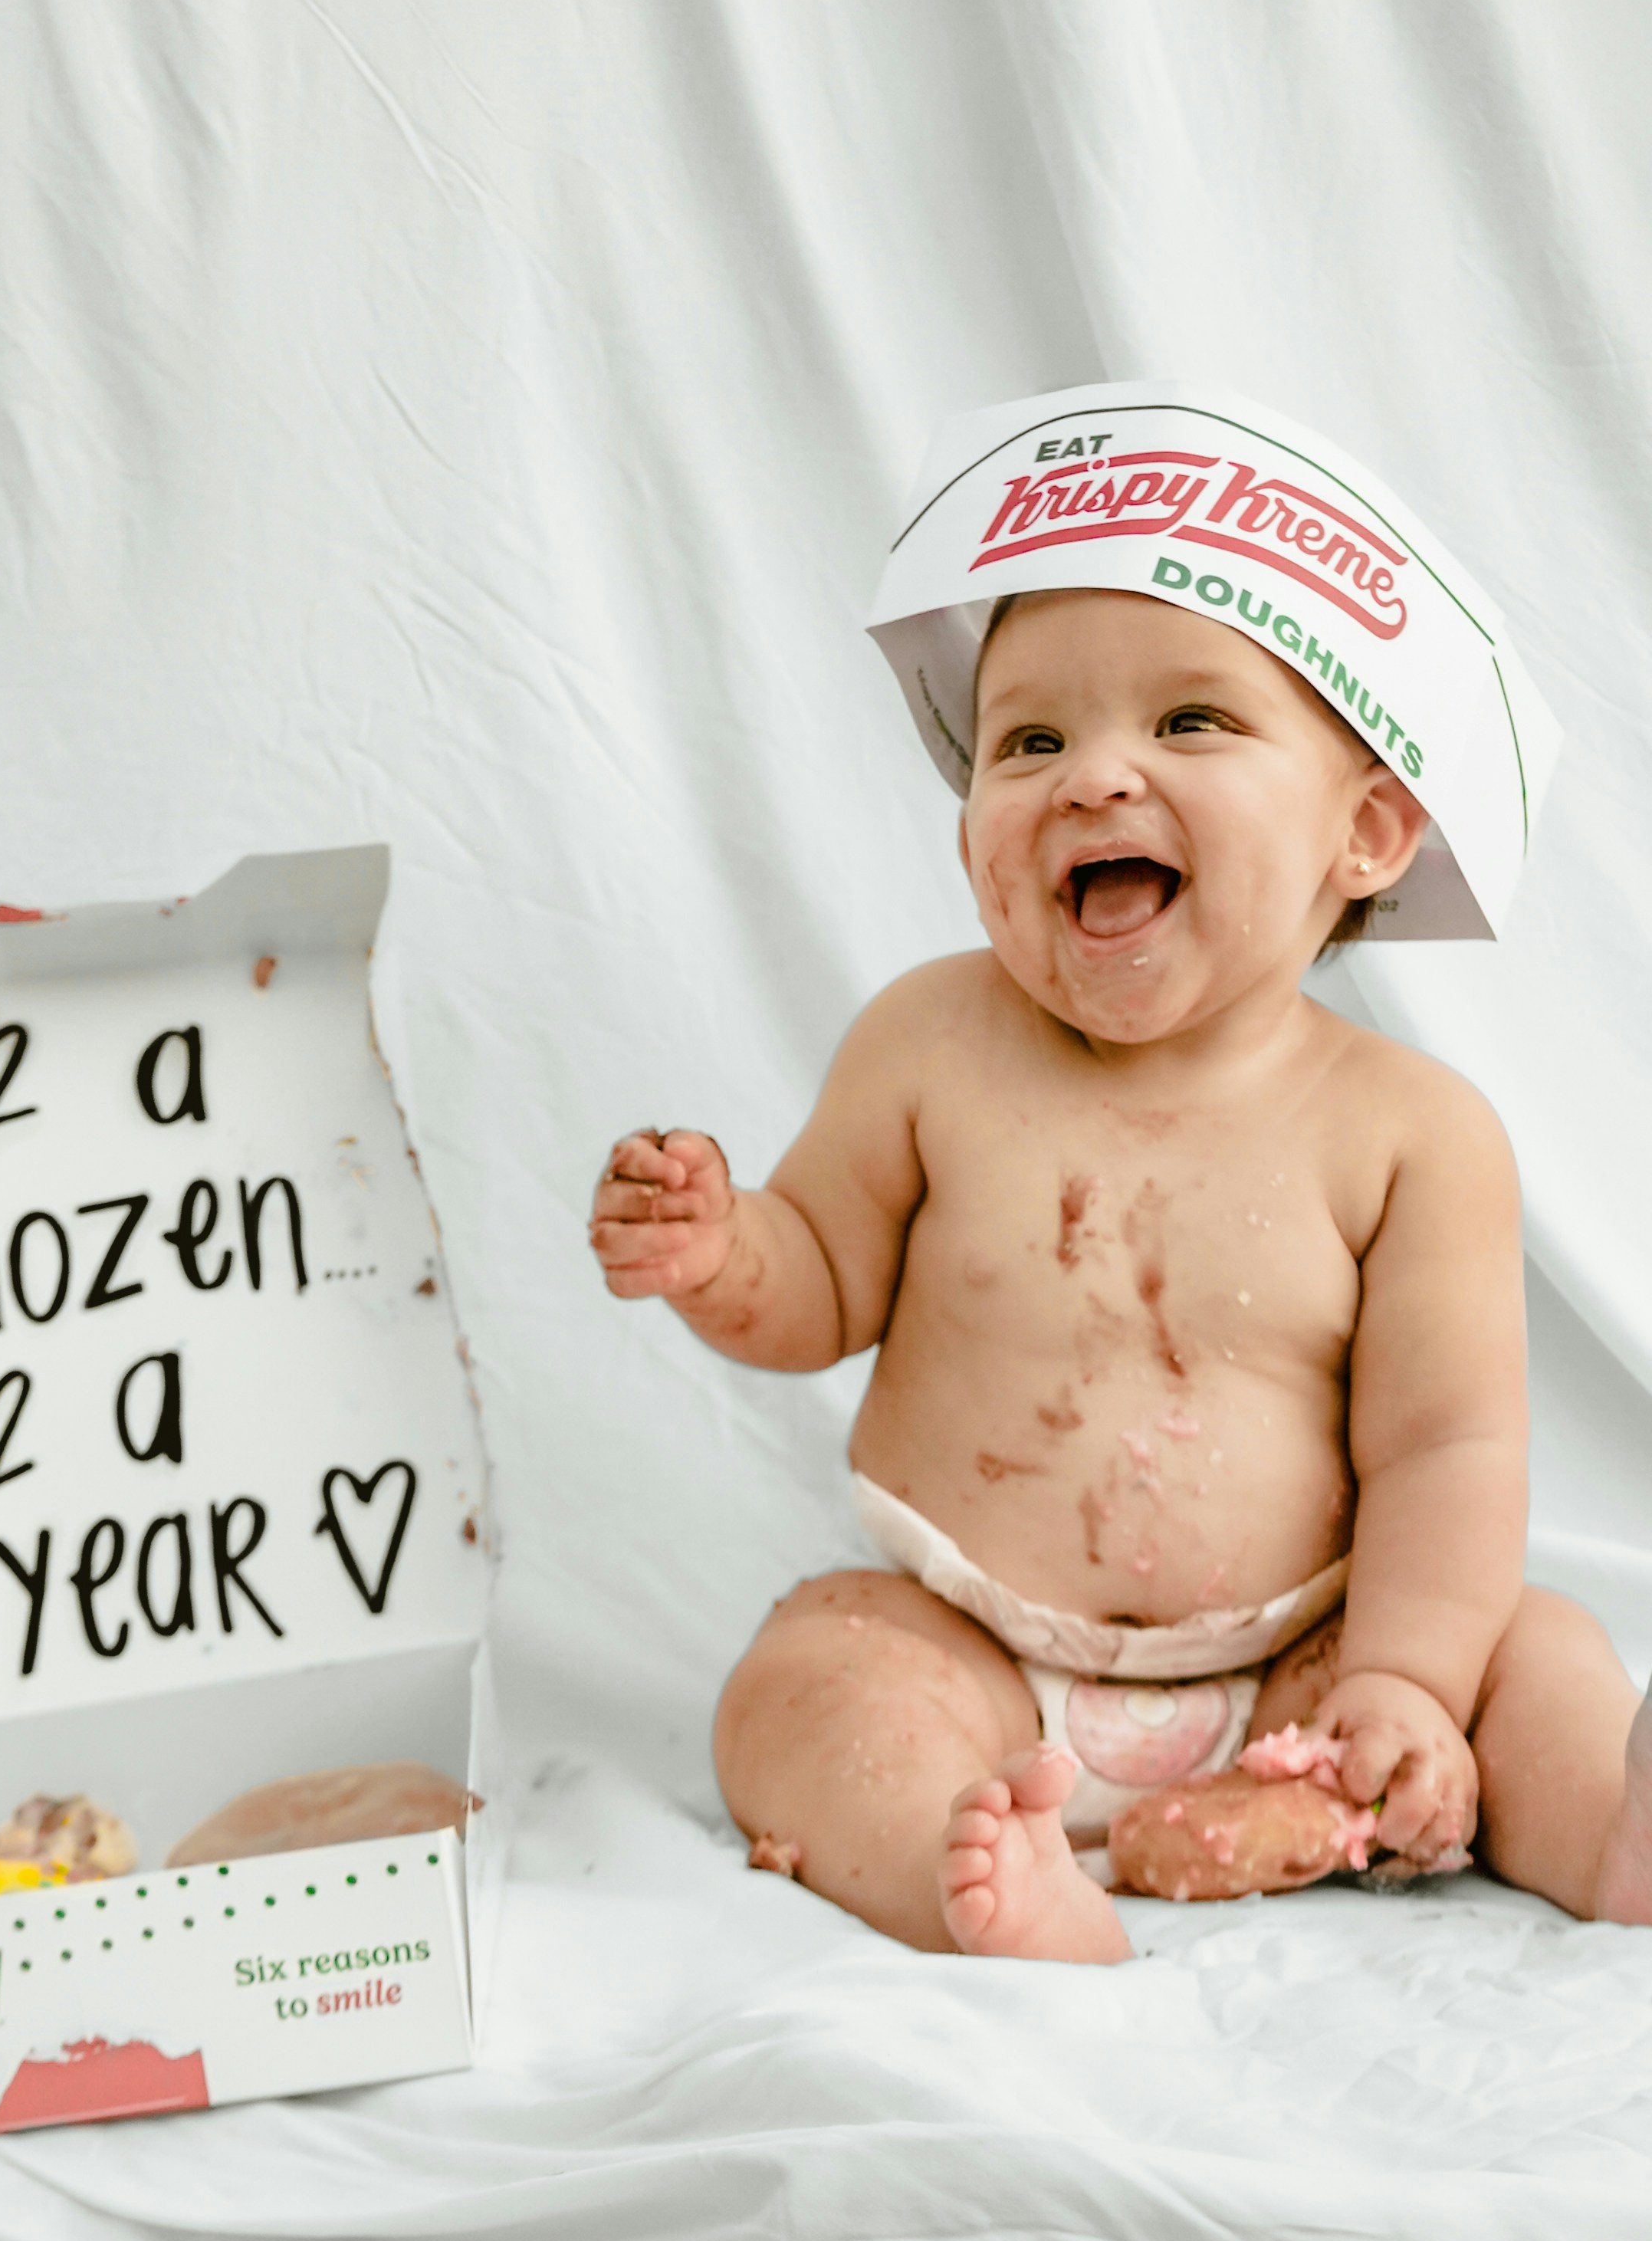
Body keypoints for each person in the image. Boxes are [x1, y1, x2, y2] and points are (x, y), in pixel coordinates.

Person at [589, 580, 1652, 1962]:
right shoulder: (928, 1043)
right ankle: (978, 1879)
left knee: (1538, 1656)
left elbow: (1444, 1448)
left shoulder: (1414, 1133)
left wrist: (1403, 1681)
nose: (1092, 777)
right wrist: (726, 1250)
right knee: (803, 1683)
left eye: (1191, 720)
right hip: (976, 1655)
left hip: (1309, 1664)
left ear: (1368, 832)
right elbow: (823, 1283)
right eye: (1028, 742)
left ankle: (1610, 1836)